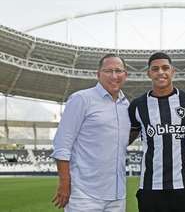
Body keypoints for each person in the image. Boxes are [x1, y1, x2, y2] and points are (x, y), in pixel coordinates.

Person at [50, 53, 130, 212]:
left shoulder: (126, 105)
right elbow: (62, 144)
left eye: (118, 71)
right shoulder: (82, 99)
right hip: (84, 194)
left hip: (117, 196)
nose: (114, 76)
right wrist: (64, 183)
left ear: (125, 75)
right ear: (98, 74)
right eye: (108, 71)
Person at [128, 52, 185, 212]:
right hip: (150, 188)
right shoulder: (137, 105)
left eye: (165, 68)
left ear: (172, 71)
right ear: (149, 73)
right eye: (155, 69)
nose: (161, 72)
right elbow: (125, 139)